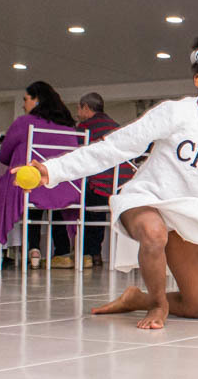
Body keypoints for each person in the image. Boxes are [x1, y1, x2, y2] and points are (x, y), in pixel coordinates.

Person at [18, 29, 198, 329]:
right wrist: (53, 171)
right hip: (143, 202)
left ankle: (138, 298)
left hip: (184, 215)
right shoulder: (176, 113)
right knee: (153, 230)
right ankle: (159, 305)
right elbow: (114, 147)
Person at [0, 81, 80, 270]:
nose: (24, 105)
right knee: (49, 193)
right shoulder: (69, 127)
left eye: (26, 99)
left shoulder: (24, 122)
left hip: (30, 185)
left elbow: (4, 156)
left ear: (37, 100)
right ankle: (59, 252)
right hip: (68, 189)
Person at [76, 92, 134, 267]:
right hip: (123, 188)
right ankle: (95, 254)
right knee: (94, 201)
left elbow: (73, 155)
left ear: (86, 108)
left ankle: (88, 253)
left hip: (101, 187)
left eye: (79, 108)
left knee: (82, 201)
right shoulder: (117, 128)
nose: (78, 112)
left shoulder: (84, 129)